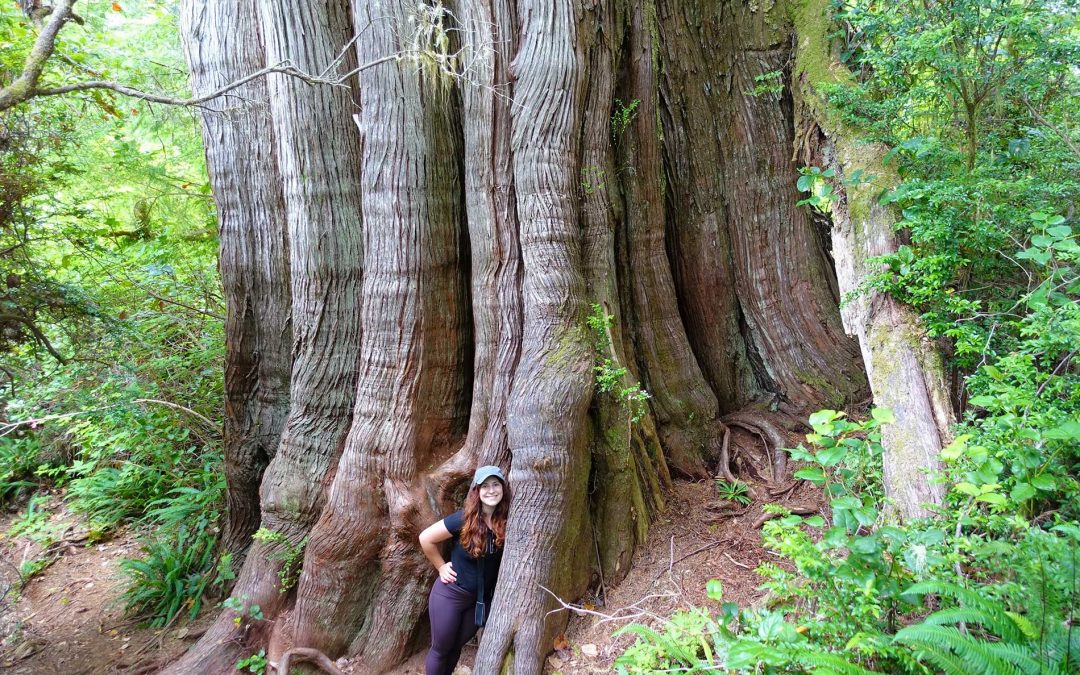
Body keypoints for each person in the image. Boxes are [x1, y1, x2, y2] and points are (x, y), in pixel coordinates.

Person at [419, 465, 511, 675]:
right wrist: (441, 566)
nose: (491, 490)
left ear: (503, 489)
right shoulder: (463, 519)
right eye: (485, 486)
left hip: (480, 601)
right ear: (476, 492)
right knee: (441, 649)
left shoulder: (506, 521)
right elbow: (426, 538)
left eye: (495, 484)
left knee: (454, 648)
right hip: (451, 595)